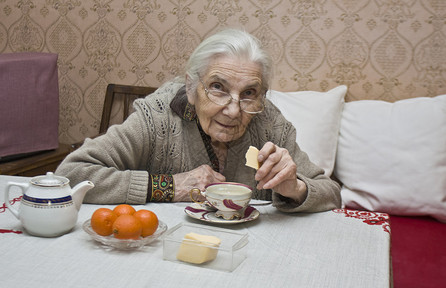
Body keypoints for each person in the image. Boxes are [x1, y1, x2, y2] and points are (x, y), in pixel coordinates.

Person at [56, 28, 341, 213]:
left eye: (249, 93)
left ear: (262, 96)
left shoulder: (269, 124)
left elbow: (331, 193)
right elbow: (71, 174)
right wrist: (168, 186)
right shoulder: (157, 118)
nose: (233, 110)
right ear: (191, 88)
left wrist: (294, 187)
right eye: (218, 87)